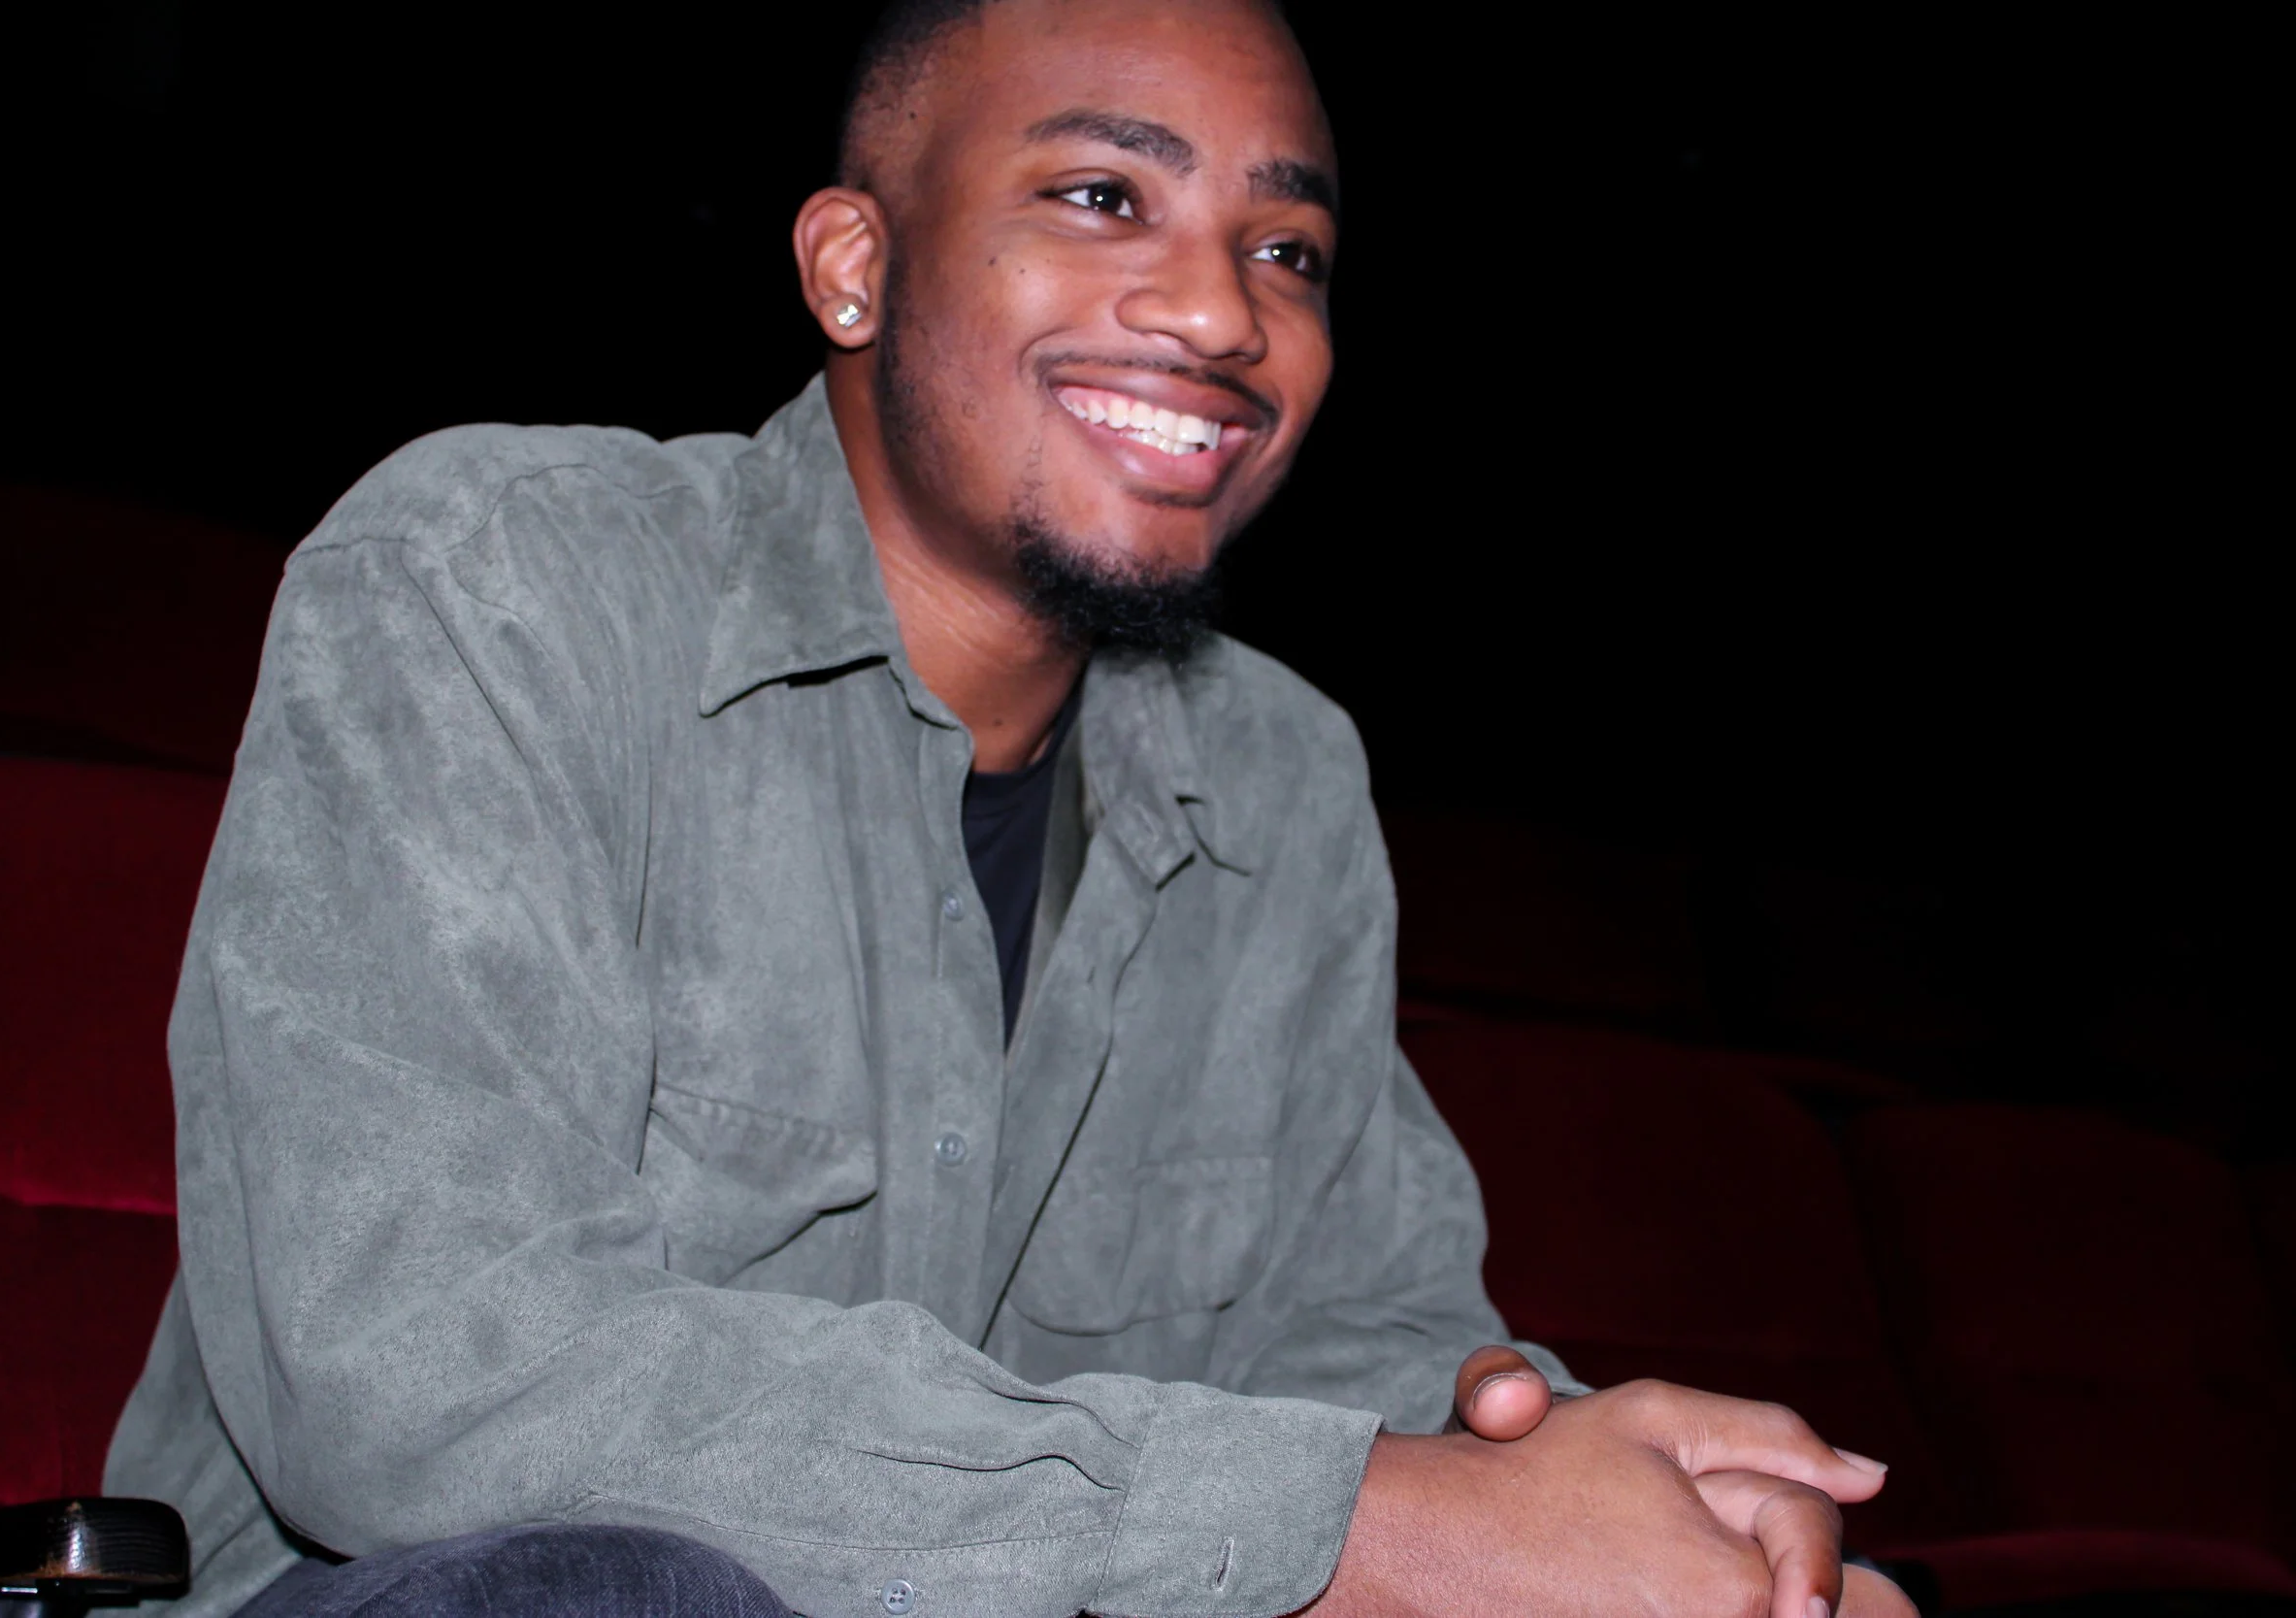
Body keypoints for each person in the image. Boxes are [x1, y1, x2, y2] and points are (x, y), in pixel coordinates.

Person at [106, 1, 1919, 1614]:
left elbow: (1363, 1345)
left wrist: (1651, 1516)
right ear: (852, 268)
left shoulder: (1285, 780)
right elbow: (431, 1379)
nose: (1223, 312)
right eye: (1103, 198)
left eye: (1287, 246)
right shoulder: (493, 583)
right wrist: (1357, 1526)